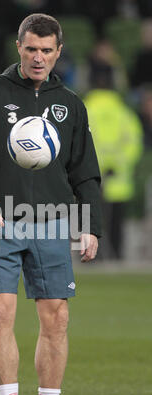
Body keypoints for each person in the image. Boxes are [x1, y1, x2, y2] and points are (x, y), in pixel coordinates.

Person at [0, 13, 102, 395]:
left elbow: (85, 172)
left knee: (56, 319)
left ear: (58, 52)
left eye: (46, 50)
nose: (38, 58)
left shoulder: (70, 104)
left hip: (53, 223)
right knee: (1, 313)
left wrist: (89, 225)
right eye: (31, 48)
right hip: (0, 219)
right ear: (19, 46)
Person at [84, 60, 143, 259]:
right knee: (116, 226)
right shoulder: (123, 111)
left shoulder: (84, 109)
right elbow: (134, 142)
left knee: (89, 224)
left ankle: (90, 259)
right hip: (118, 179)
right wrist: (118, 164)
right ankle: (117, 258)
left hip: (89, 180)